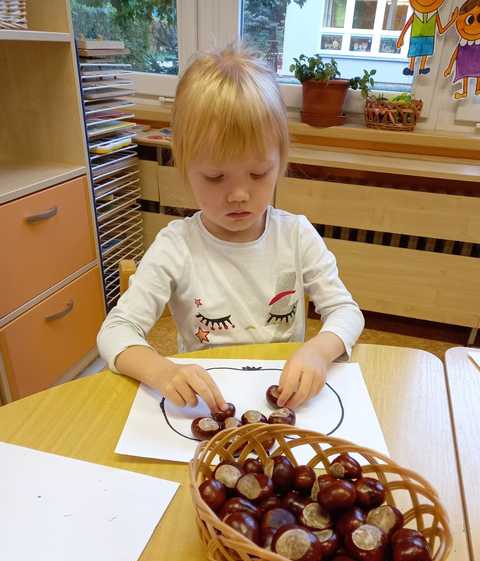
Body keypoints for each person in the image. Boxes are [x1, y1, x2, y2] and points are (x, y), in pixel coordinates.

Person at [97, 45, 364, 414]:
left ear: (280, 163)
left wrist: (319, 351)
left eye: (258, 173)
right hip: (209, 405)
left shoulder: (296, 235)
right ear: (185, 168)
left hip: (282, 401)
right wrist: (162, 371)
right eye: (215, 177)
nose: (239, 195)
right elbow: (115, 331)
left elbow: (346, 311)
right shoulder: (177, 246)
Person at [397, 0, 458, 77]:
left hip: (428, 38)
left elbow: (441, 30)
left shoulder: (434, 14)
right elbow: (407, 25)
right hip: (416, 37)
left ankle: (422, 68)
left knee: (425, 52)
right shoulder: (416, 13)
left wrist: (452, 20)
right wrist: (401, 37)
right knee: (414, 52)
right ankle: (411, 68)